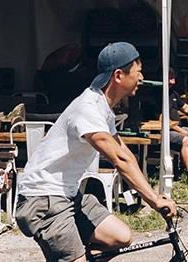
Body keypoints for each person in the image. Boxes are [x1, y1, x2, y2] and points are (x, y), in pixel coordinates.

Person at [14, 42, 176, 262]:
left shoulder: (103, 109)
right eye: (138, 72)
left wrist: (155, 196)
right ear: (119, 75)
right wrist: (154, 202)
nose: (142, 78)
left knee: (120, 237)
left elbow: (125, 154)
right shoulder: (88, 108)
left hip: (68, 195)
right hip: (44, 198)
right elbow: (119, 160)